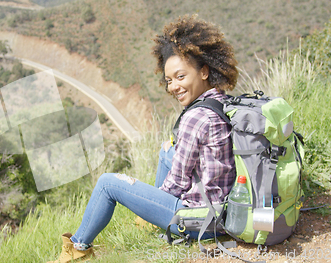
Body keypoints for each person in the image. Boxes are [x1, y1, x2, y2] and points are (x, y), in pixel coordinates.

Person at [47, 14, 239, 263]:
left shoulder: (196, 118)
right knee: (166, 150)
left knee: (108, 183)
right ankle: (152, 223)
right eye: (169, 80)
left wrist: (148, 201)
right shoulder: (220, 100)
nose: (173, 87)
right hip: (221, 209)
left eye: (181, 77)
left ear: (203, 71)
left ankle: (77, 249)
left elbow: (177, 184)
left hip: (198, 220)